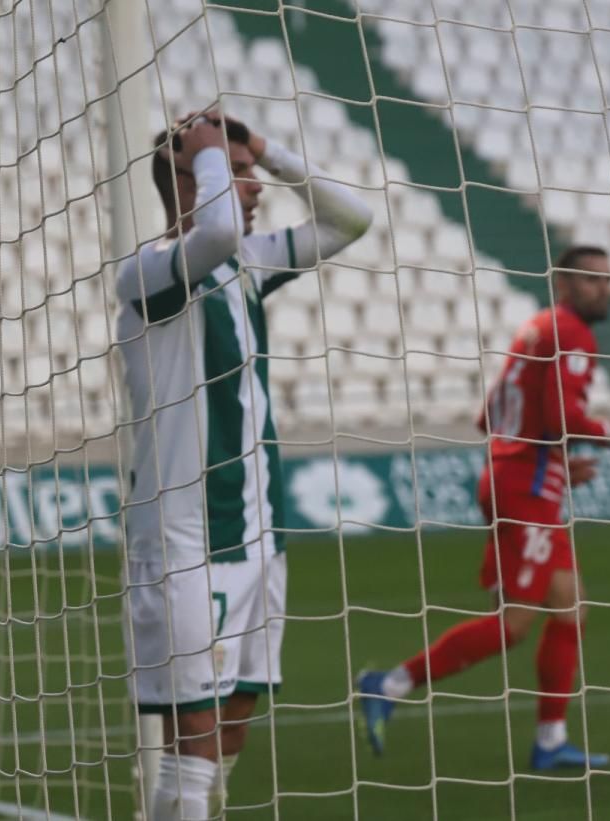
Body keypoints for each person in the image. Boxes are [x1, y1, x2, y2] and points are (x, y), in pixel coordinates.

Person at [117, 108, 372, 820]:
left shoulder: (246, 268)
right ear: (187, 181)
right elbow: (219, 226)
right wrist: (204, 154)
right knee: (193, 746)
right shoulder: (147, 275)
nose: (255, 187)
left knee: (222, 741)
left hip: (260, 535)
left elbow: (353, 221)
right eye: (238, 175)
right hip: (185, 542)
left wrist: (264, 149)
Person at [357, 246, 610, 770]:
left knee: (571, 608)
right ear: (563, 284)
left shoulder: (535, 328)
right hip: (526, 489)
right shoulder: (572, 333)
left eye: (607, 280)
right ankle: (390, 684)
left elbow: (489, 415)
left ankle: (550, 741)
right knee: (513, 624)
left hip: (522, 478)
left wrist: (552, 461)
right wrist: (603, 432)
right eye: (590, 280)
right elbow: (563, 414)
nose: (602, 289)